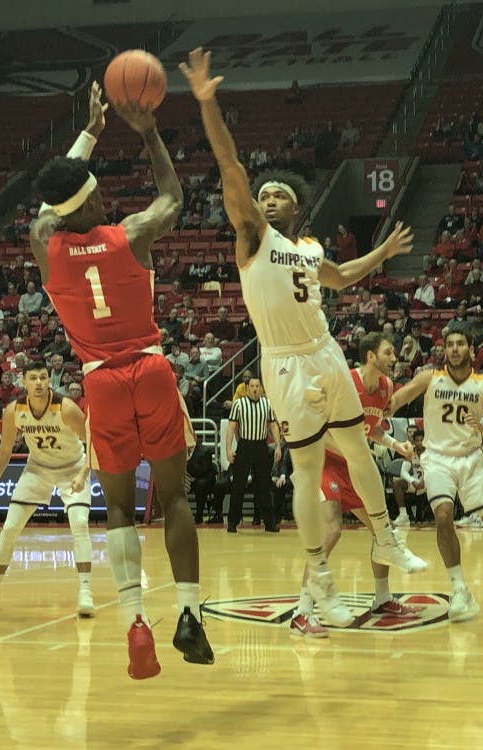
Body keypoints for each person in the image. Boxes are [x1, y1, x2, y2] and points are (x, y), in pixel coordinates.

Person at [180, 47, 425, 627]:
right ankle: (319, 572)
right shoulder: (251, 237)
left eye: (279, 195)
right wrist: (209, 106)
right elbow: (231, 168)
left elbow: (341, 278)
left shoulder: (309, 247)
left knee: (360, 447)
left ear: (298, 205)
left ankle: (386, 537)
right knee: (310, 472)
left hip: (325, 350)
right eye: (263, 196)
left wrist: (383, 252)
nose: (267, 198)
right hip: (284, 363)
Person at [29, 81, 210, 678]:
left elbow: (47, 208)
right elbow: (173, 197)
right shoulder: (132, 233)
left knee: (119, 512)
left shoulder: (46, 246)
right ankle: (188, 613)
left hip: (100, 380)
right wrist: (149, 133)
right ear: (94, 200)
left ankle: (136, 622)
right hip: (151, 370)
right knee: (176, 495)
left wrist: (88, 134)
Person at [389, 328, 483, 622]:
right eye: (450, 345)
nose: (454, 349)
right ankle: (459, 588)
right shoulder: (429, 377)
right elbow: (396, 399)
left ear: (471, 349)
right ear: (445, 350)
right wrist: (372, 411)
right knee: (443, 516)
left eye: (460, 344)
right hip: (437, 459)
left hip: (471, 459)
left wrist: (479, 426)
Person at [291, 333, 421, 637]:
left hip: (354, 464)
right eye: (389, 352)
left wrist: (395, 444)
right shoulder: (344, 383)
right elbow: (316, 429)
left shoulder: (386, 388)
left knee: (382, 532)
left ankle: (383, 599)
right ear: (371, 357)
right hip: (325, 460)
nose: (395, 357)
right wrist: (352, 452)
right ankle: (302, 611)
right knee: (332, 529)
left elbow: (370, 431)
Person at [0, 362, 95, 617]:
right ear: (24, 382)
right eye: (33, 378)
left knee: (80, 522)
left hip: (73, 467)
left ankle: (85, 590)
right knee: (9, 528)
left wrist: (84, 473)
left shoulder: (66, 408)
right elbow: (5, 450)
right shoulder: (13, 410)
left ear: (49, 381)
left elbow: (94, 442)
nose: (38, 383)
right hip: (38, 467)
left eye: (42, 378)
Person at [224, 376, 282, 533]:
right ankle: (232, 522)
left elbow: (274, 426)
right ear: (247, 388)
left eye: (257, 386)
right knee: (238, 485)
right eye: (252, 386)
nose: (255, 388)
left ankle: (270, 523)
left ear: (261, 388)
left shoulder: (267, 403)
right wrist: (228, 449)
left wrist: (278, 446)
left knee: (264, 484)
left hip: (261, 446)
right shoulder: (238, 404)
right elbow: (231, 428)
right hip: (244, 446)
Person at [187, 434, 219, 525]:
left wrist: (194, 477)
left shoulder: (205, 450)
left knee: (200, 485)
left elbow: (206, 468)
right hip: (186, 477)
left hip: (202, 478)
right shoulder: (181, 450)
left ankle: (199, 516)